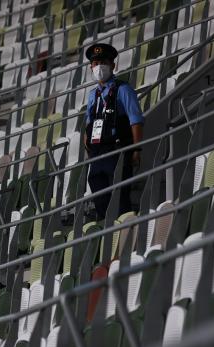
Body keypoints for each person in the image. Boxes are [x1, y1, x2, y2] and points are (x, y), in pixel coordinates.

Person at [84, 43, 144, 220]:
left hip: (117, 150)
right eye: (95, 64)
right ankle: (107, 233)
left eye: (103, 62)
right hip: (97, 152)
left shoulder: (123, 89)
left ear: (112, 65)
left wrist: (136, 149)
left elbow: (136, 121)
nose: (99, 67)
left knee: (119, 197)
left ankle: (126, 231)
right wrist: (88, 147)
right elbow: (89, 122)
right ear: (91, 67)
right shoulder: (92, 95)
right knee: (99, 194)